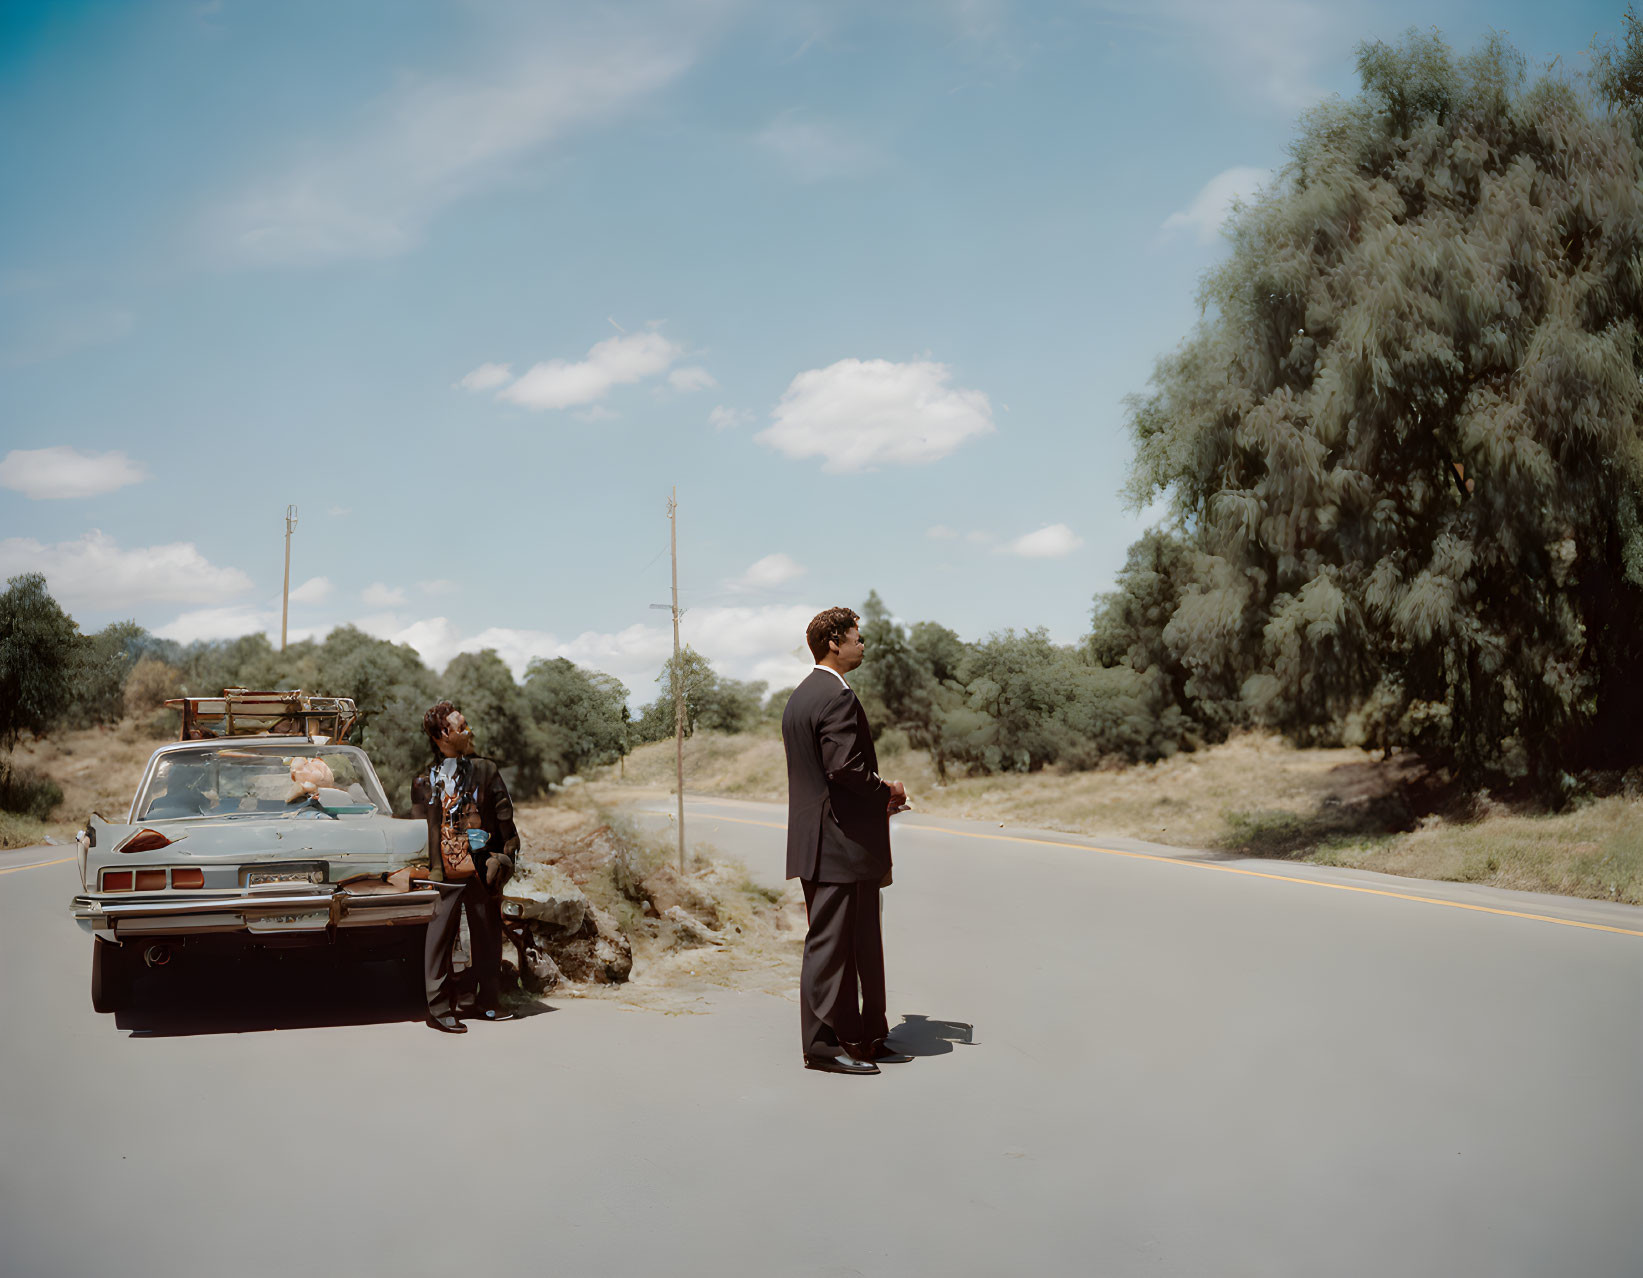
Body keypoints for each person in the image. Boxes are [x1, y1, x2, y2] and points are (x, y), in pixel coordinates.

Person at [781, 606, 912, 1075]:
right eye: (857, 637)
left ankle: (862, 1037)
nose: (863, 645)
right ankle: (821, 1048)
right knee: (831, 946)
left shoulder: (800, 696)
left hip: (826, 843)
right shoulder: (835, 696)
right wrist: (887, 791)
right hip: (838, 843)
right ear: (834, 643)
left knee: (855, 942)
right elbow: (843, 769)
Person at [410, 700, 519, 1033]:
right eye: (461, 727)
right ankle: (440, 1008)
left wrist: (505, 860)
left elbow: (505, 820)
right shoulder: (423, 781)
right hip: (443, 873)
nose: (469, 731)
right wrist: (429, 871)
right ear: (443, 735)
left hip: (480, 867)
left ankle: (485, 1002)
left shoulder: (484, 770)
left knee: (487, 935)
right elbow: (421, 831)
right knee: (438, 940)